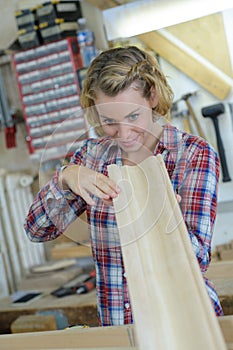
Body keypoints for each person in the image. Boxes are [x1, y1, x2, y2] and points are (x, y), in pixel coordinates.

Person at [24, 45, 223, 326]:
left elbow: (199, 260)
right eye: (109, 122)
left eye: (133, 117)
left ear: (152, 97)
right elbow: (37, 229)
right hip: (119, 327)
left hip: (186, 324)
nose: (125, 134)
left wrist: (162, 216)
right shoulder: (91, 157)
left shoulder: (194, 155)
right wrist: (67, 177)